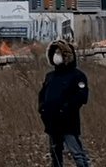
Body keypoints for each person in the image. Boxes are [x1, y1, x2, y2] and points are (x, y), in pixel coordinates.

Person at [38, 39, 90, 167]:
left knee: (77, 153)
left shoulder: (77, 76)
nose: (56, 55)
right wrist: (42, 109)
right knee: (55, 153)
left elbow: (81, 96)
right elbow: (42, 94)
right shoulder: (50, 76)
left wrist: (65, 109)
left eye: (59, 52)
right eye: (54, 52)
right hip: (52, 122)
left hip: (68, 122)